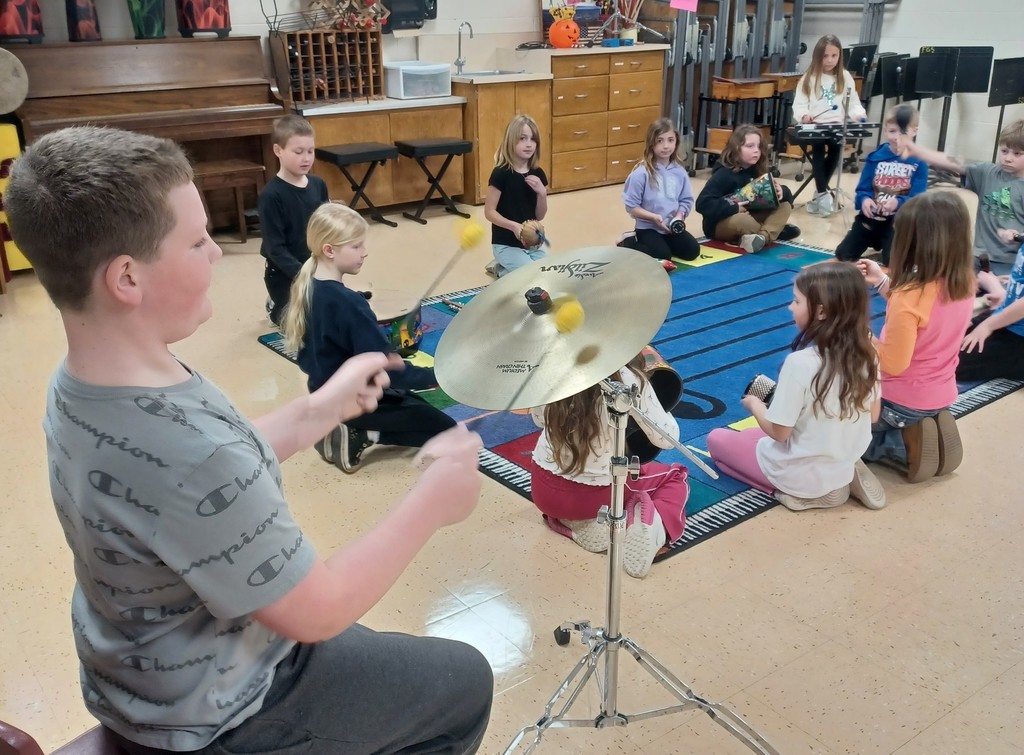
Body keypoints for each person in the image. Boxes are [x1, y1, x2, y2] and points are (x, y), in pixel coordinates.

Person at [5, 126, 493, 754]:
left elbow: (208, 470)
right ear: (127, 278)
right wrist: (435, 497)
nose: (215, 254)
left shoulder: (82, 382)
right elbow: (318, 607)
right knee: (465, 681)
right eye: (196, 240)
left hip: (139, 678)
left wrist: (317, 411)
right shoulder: (190, 453)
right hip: (222, 711)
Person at [283, 202, 457, 473]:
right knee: (448, 431)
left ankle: (333, 424)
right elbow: (386, 369)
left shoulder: (307, 285)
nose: (364, 253)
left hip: (322, 391)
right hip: (356, 400)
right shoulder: (349, 304)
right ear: (329, 250)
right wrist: (439, 376)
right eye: (356, 246)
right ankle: (361, 433)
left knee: (413, 405)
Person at [707, 263, 885, 511]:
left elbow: (780, 433)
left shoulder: (800, 363)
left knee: (716, 440)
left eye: (796, 301)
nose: (791, 307)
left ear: (821, 311)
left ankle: (795, 495)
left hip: (799, 475)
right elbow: (873, 415)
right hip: (841, 459)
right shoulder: (869, 354)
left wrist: (755, 405)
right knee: (750, 437)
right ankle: (842, 476)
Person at [530, 353, 689, 578]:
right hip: (593, 499)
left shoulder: (550, 364)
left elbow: (538, 419)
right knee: (675, 475)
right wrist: (655, 405)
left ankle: (570, 522)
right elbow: (667, 438)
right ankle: (654, 526)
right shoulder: (627, 378)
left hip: (542, 490)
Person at [856, 193, 974, 482]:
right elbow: (924, 317)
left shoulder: (910, 294)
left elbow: (893, 363)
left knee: (835, 430)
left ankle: (898, 447)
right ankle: (921, 426)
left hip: (897, 401)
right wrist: (884, 282)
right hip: (941, 393)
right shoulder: (964, 281)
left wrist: (860, 333)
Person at [902, 118, 1024, 274]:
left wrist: (1018, 236)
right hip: (977, 257)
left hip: (1009, 264)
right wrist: (915, 149)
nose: (1008, 158)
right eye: (1004, 151)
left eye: (1017, 154)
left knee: (997, 297)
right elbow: (952, 162)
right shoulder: (987, 172)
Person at [835, 104, 928, 265]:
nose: (897, 137)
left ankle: (901, 248)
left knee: (892, 261)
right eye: (892, 131)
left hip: (898, 223)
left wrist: (898, 202)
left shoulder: (919, 161)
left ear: (915, 131)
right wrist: (864, 200)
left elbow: (918, 199)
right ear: (885, 130)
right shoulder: (875, 157)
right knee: (843, 254)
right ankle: (879, 245)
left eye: (903, 132)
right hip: (871, 219)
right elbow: (863, 189)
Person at [259, 114, 329, 326]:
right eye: (298, 152)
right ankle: (275, 306)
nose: (306, 158)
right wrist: (304, 275)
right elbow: (275, 248)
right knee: (305, 326)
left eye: (310, 151)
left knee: (335, 315)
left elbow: (329, 228)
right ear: (278, 150)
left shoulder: (318, 185)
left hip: (317, 266)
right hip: (284, 273)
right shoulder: (271, 196)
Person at [791, 34, 867, 217]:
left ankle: (820, 194)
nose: (830, 60)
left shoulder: (845, 77)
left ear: (840, 56)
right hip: (815, 126)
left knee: (836, 149)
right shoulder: (809, 78)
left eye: (834, 56)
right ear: (817, 56)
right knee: (817, 149)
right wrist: (804, 116)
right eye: (825, 56)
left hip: (836, 125)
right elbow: (799, 104)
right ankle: (824, 194)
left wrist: (859, 115)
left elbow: (853, 103)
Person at [695, 124, 800, 253]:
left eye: (759, 146)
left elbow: (786, 200)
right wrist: (734, 207)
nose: (756, 150)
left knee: (785, 206)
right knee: (743, 220)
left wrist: (782, 191)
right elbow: (702, 204)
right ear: (736, 148)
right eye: (750, 146)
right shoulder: (724, 174)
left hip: (751, 215)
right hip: (721, 224)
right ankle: (771, 232)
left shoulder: (756, 169)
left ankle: (761, 237)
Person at [620, 117, 700, 269]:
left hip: (670, 226)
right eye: (660, 141)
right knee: (663, 256)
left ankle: (664, 244)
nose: (666, 146)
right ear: (651, 143)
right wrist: (653, 217)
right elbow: (631, 206)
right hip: (648, 227)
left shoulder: (679, 171)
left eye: (670, 140)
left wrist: (679, 216)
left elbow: (686, 200)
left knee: (692, 251)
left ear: (676, 141)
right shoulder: (641, 173)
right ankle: (629, 243)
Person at [484, 114, 549, 277]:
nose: (529, 145)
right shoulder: (501, 173)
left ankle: (503, 268)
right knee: (530, 275)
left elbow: (539, 216)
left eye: (533, 139)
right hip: (505, 245)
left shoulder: (538, 173)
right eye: (522, 139)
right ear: (510, 141)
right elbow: (489, 212)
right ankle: (501, 269)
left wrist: (542, 193)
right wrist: (513, 226)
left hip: (531, 245)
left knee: (548, 272)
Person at [956, 233, 1024, 382]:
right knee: (944, 343)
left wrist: (988, 325)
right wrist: (1007, 295)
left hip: (1017, 337)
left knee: (948, 364)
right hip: (1005, 319)